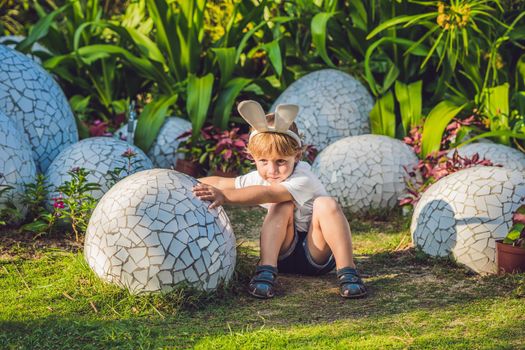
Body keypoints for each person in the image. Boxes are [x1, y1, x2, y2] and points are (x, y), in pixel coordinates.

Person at [192, 100, 366, 299]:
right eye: (263, 161)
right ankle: (266, 270)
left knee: (325, 203)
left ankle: (347, 271)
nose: (272, 170)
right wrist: (187, 182)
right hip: (281, 252)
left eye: (281, 161)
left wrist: (225, 197)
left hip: (316, 254)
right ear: (253, 157)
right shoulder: (261, 175)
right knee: (282, 206)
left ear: (297, 155)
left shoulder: (303, 177)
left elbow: (267, 193)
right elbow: (224, 182)